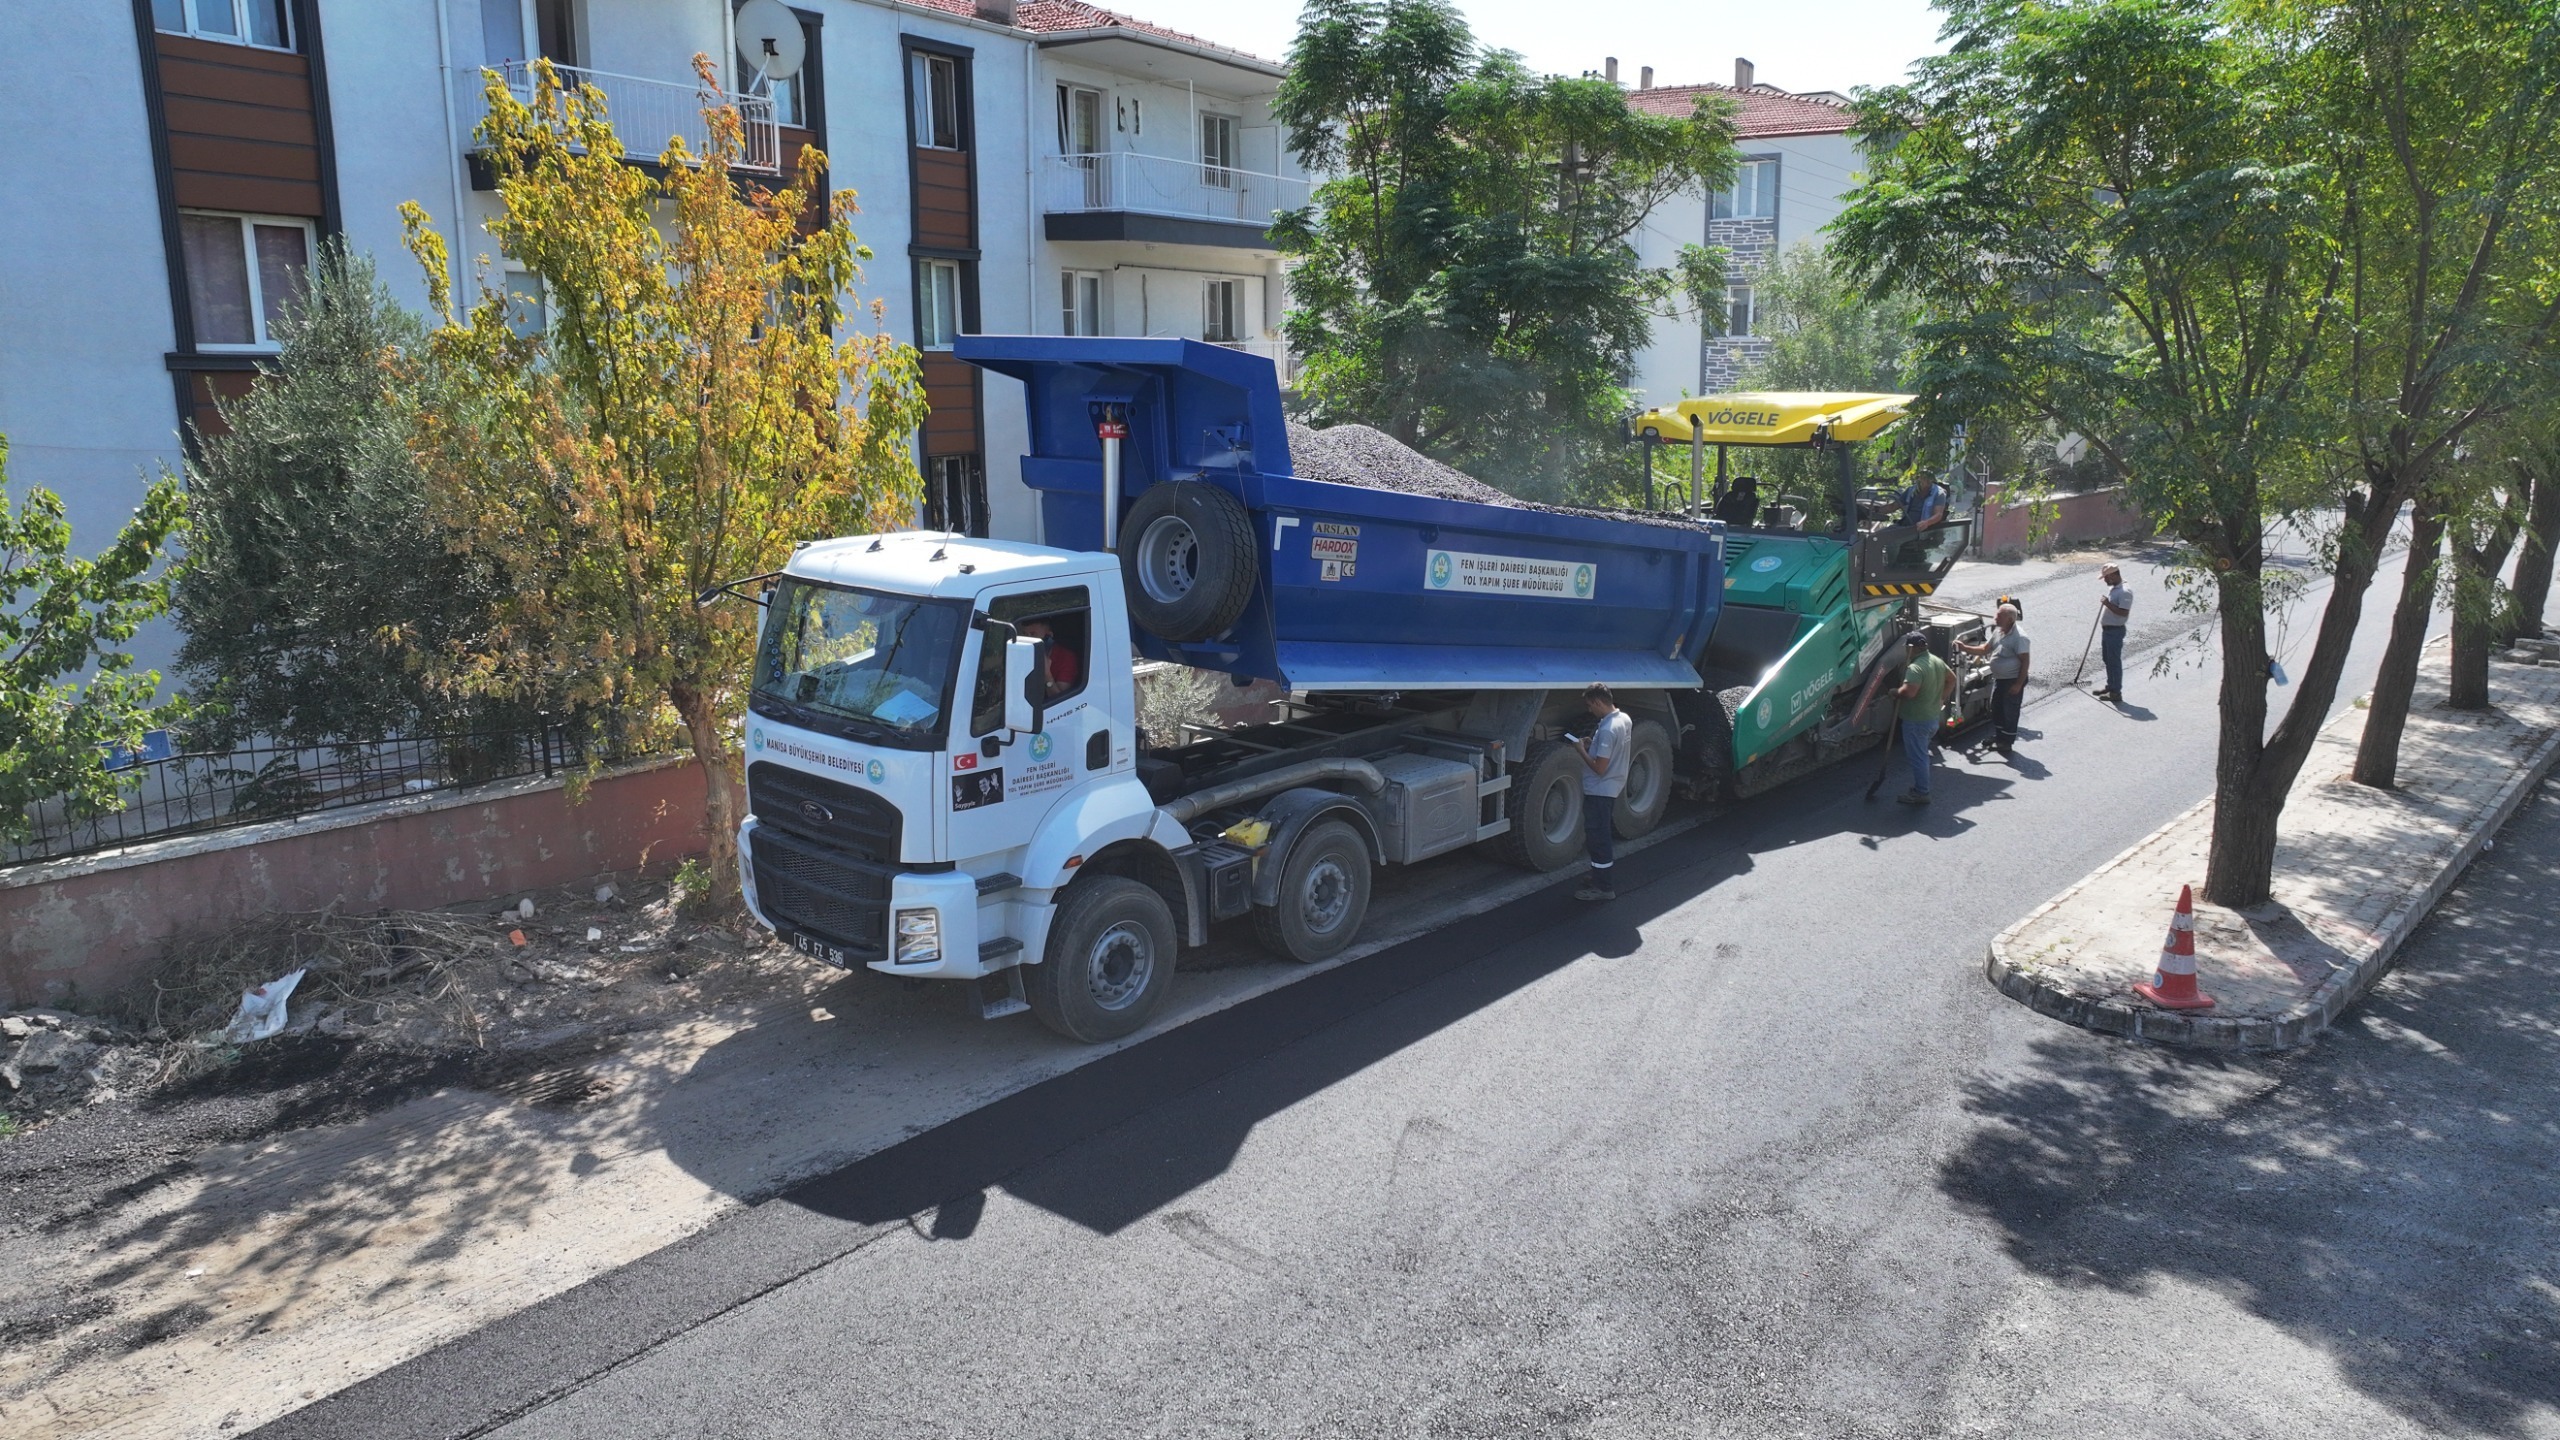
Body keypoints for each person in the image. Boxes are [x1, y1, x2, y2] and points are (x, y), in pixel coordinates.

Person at [1569, 683, 1633, 902]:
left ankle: (1603, 887)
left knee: (1598, 839)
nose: (1589, 710)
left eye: (1590, 705)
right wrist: (1593, 745)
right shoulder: (1624, 719)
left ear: (1598, 702)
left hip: (1599, 790)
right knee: (1600, 836)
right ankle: (1599, 875)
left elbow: (1599, 768)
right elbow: (1612, 750)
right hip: (1612, 787)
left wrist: (1581, 750)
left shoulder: (1607, 730)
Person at [1958, 603, 2031, 757]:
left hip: (2012, 680)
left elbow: (2025, 661)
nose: (1995, 618)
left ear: (2009, 619)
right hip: (2001, 679)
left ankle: (2006, 742)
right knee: (1997, 708)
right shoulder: (1999, 631)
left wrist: (2018, 684)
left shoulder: (2020, 637)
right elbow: (1985, 649)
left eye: (1999, 616)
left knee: (2009, 711)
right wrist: (1964, 647)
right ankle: (1999, 736)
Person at [1892, 631, 1956, 805]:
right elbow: (1952, 679)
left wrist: (1894, 692)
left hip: (1916, 721)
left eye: (1907, 648)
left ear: (1911, 648)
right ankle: (1920, 788)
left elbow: (1909, 692)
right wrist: (1941, 698)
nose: (1906, 651)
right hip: (1932, 718)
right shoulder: (1936, 661)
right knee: (1922, 754)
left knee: (1918, 758)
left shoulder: (1915, 668)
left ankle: (1922, 793)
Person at [2095, 564, 2132, 702]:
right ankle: (2111, 686)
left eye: (2106, 577)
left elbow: (2123, 612)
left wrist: (2107, 604)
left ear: (2113, 575)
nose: (2104, 580)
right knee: (2108, 660)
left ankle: (2116, 693)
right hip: (2108, 631)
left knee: (2114, 662)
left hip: (2115, 631)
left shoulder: (2125, 592)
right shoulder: (2115, 587)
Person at [1018, 620, 1079, 698]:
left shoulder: (1066, 658)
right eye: (1025, 634)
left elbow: (1059, 700)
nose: (1028, 639)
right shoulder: (1019, 653)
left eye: (1033, 634)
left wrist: (1046, 674)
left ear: (1048, 636)